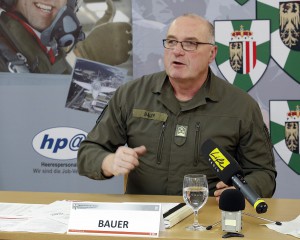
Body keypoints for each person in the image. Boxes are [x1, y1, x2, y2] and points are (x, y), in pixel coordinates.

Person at [77, 13, 277, 202]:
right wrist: (108, 162)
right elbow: (88, 151)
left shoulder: (242, 106)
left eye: (190, 43)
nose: (177, 51)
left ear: (212, 53)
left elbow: (264, 174)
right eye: (171, 42)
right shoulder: (131, 94)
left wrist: (241, 190)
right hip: (145, 220)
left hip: (208, 220)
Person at [0, 0, 132, 73]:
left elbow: (89, 117)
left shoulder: (50, 49)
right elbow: (28, 116)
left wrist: (94, 66)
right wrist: (83, 57)